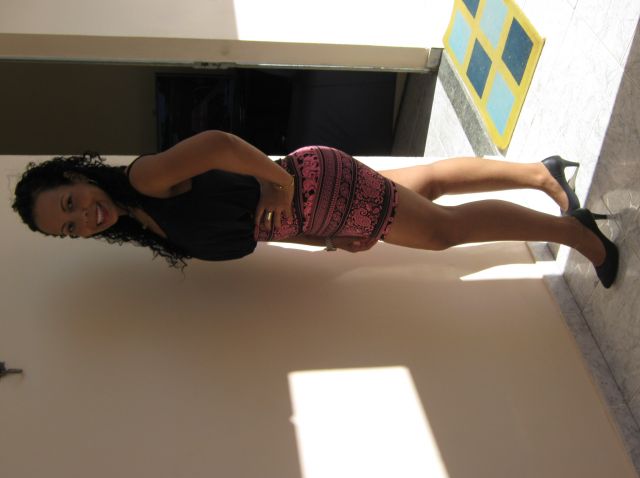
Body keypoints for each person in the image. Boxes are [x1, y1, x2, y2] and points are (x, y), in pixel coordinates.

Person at [12, 130, 619, 288]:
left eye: (70, 203)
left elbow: (219, 145)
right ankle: (540, 173)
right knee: (427, 186)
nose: (83, 218)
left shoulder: (143, 180)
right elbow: (259, 232)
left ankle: (575, 233)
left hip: (311, 187)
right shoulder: (149, 227)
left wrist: (278, 183)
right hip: (316, 209)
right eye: (69, 228)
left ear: (77, 176)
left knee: (440, 232)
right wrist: (327, 240)